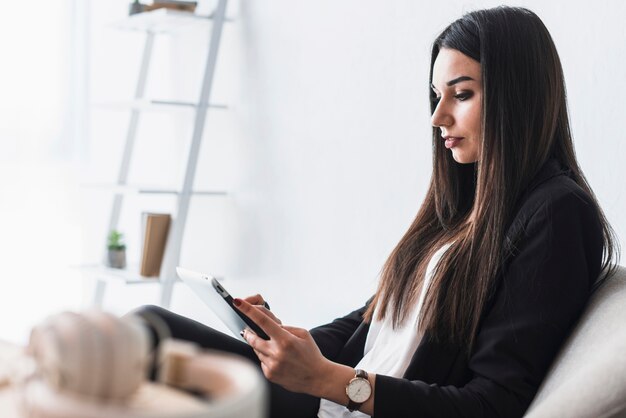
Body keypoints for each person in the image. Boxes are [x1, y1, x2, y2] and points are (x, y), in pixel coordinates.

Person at [134, 6, 619, 418]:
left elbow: (491, 404)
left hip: (351, 406)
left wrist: (332, 381)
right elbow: (374, 325)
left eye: (462, 94)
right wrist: (284, 340)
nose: (438, 117)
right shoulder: (464, 207)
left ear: (518, 98)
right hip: (332, 399)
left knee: (147, 332)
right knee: (147, 333)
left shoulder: (557, 214)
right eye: (436, 96)